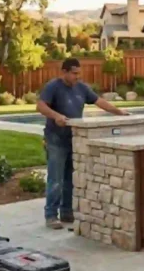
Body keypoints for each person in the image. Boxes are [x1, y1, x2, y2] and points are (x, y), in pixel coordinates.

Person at [37, 58, 129, 230]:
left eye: (79, 73)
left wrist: (119, 112)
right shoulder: (53, 86)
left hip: (74, 138)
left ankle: (67, 212)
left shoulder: (81, 88)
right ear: (63, 72)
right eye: (74, 73)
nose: (77, 77)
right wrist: (56, 116)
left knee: (70, 178)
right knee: (55, 178)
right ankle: (51, 215)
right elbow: (40, 106)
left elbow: (99, 101)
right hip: (56, 139)